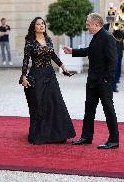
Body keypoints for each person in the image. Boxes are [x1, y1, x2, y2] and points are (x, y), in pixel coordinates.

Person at [64, 13, 119, 149]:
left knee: (108, 109)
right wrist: (73, 51)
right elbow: (90, 51)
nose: (87, 26)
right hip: (92, 81)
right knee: (89, 109)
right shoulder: (96, 37)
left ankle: (114, 140)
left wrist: (107, 79)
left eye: (88, 24)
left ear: (96, 24)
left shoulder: (107, 37)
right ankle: (86, 137)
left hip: (103, 82)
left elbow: (113, 60)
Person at [19, 17, 76, 145]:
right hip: (37, 75)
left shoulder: (48, 40)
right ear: (34, 27)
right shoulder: (30, 42)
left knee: (55, 102)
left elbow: (53, 55)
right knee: (39, 104)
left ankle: (58, 134)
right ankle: (40, 134)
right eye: (38, 24)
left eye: (43, 23)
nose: (41, 25)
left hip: (50, 75)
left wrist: (63, 66)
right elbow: (25, 60)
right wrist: (23, 76)